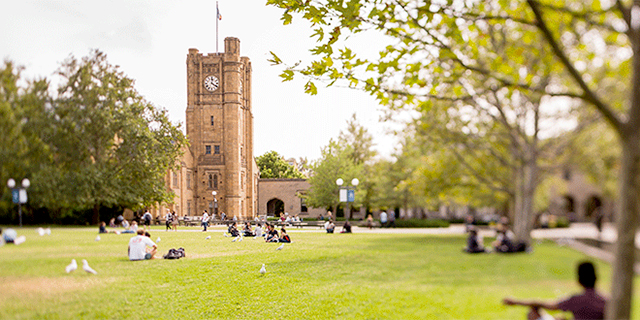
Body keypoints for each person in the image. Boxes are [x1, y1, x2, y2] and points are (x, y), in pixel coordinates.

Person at [503, 261, 606, 320]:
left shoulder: (577, 300)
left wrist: (515, 301)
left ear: (579, 280)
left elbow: (548, 305)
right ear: (596, 277)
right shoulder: (606, 300)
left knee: (533, 311)